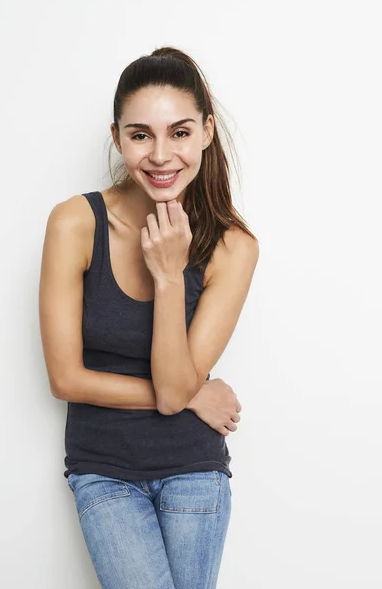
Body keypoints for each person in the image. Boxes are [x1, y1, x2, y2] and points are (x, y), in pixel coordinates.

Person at [39, 46, 259, 589]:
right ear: (117, 138)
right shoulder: (76, 223)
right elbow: (66, 379)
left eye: (179, 133)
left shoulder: (233, 247)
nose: (161, 155)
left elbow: (171, 390)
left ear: (207, 132)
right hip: (103, 469)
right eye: (141, 135)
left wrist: (168, 276)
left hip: (194, 468)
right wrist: (195, 394)